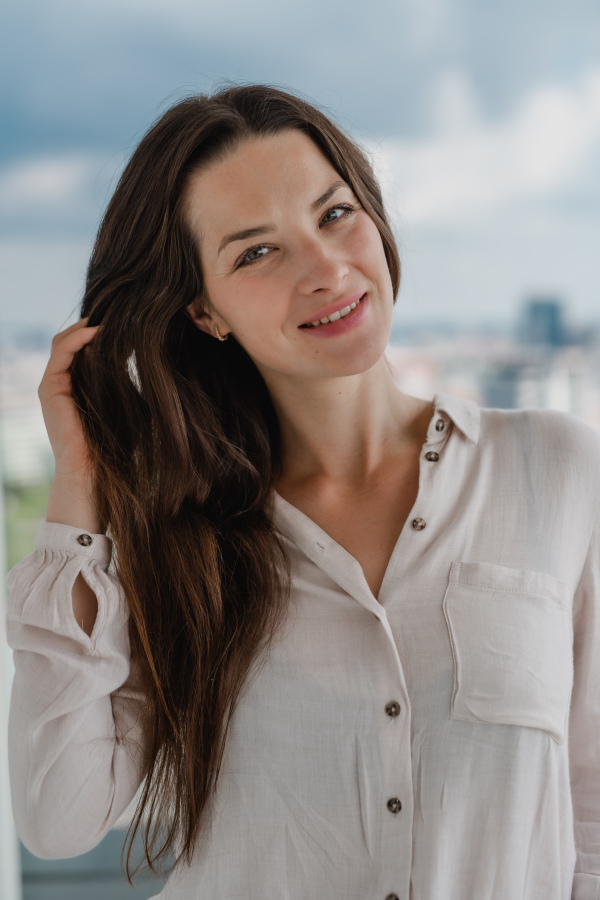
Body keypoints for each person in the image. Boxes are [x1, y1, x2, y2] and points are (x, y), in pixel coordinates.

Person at [5, 84, 600, 900]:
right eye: (256, 252)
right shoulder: (181, 534)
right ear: (204, 311)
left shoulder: (554, 469)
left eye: (334, 214)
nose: (327, 269)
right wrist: (80, 485)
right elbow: (59, 817)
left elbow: (591, 808)